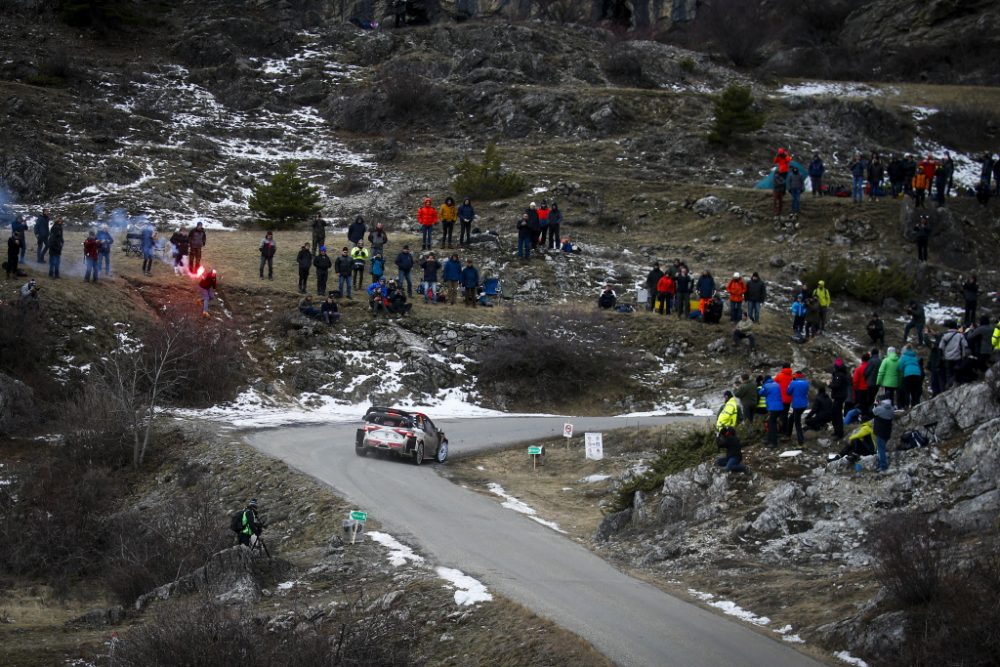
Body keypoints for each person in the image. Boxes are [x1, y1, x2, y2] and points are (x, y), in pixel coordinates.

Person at [938, 320, 969, 389]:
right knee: (957, 373)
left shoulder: (945, 336)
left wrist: (943, 356)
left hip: (947, 358)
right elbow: (965, 345)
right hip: (957, 357)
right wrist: (963, 356)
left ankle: (949, 385)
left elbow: (941, 347)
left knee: (949, 373)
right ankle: (955, 385)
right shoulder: (960, 335)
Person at [760, 375, 784, 448]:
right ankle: (769, 439)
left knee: (772, 424)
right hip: (780, 407)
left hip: (773, 408)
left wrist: (762, 385)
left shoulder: (766, 385)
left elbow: (761, 393)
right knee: (771, 422)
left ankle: (773, 442)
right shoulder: (777, 384)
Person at [897, 344, 923, 409]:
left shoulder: (903, 356)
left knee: (907, 391)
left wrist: (904, 371)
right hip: (917, 374)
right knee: (914, 390)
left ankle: (907, 406)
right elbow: (918, 366)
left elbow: (900, 367)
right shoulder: (914, 356)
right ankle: (914, 405)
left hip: (908, 374)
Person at [829, 359, 850, 438]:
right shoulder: (842, 374)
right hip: (840, 396)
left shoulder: (839, 375)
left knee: (836, 415)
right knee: (836, 414)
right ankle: (837, 431)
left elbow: (836, 385)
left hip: (838, 397)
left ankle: (839, 433)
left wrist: (830, 384)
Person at [872, 400, 894, 472]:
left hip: (880, 432)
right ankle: (880, 463)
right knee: (881, 448)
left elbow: (873, 411)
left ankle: (883, 466)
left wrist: (876, 405)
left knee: (881, 449)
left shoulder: (880, 409)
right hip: (887, 433)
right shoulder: (891, 409)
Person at [788, 371, 810, 445]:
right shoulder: (806, 383)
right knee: (791, 418)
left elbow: (788, 392)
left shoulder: (793, 383)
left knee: (797, 423)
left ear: (795, 376)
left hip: (797, 405)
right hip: (804, 404)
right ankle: (788, 434)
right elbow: (806, 391)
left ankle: (801, 442)